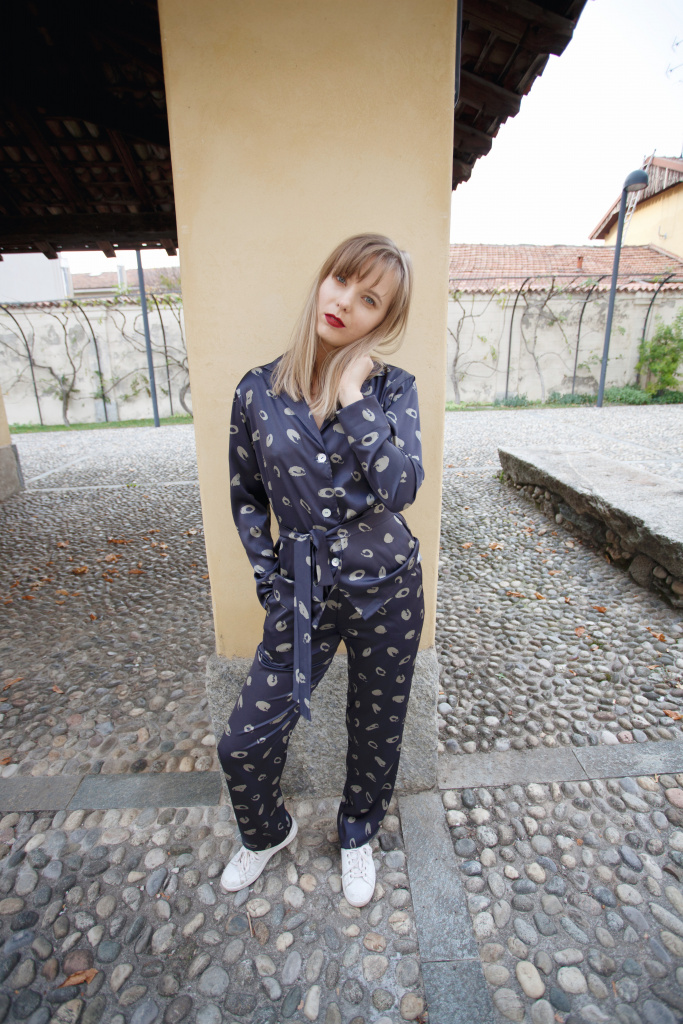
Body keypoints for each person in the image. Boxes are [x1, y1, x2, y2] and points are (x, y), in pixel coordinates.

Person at [217, 233, 424, 908]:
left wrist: (353, 395)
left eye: (370, 299)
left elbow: (400, 487)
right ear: (322, 279)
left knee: (376, 726)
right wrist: (269, 578)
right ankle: (266, 832)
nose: (345, 302)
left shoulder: (392, 390)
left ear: (382, 320)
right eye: (341, 280)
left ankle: (357, 832)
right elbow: (247, 496)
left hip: (388, 587)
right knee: (243, 742)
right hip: (302, 591)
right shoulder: (257, 391)